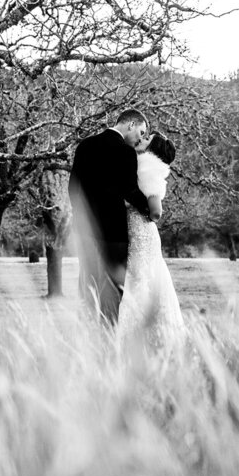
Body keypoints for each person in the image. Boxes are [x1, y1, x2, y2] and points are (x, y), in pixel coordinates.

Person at [68, 109, 151, 325]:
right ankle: (109, 334)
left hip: (85, 231)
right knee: (114, 290)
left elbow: (73, 188)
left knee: (88, 285)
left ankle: (87, 334)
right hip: (113, 234)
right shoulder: (125, 152)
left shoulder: (85, 145)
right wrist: (150, 210)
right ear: (130, 124)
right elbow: (130, 191)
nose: (140, 139)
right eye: (141, 132)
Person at [117, 132, 185, 349]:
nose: (141, 139)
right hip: (135, 231)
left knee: (141, 279)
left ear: (151, 150)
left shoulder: (149, 170)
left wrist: (133, 205)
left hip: (142, 234)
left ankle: (146, 334)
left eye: (146, 139)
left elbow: (155, 212)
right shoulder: (140, 165)